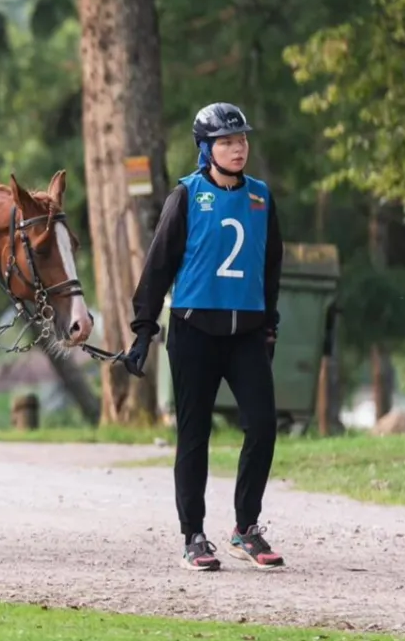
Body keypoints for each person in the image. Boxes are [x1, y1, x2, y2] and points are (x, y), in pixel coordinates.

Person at [120, 102, 285, 572]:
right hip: (194, 331)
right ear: (206, 148)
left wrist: (270, 322)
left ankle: (245, 528)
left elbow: (270, 265)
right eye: (227, 142)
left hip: (247, 332)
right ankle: (193, 535)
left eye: (242, 140)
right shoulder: (187, 196)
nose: (237, 148)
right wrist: (143, 331)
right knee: (194, 435)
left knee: (263, 426)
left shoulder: (261, 198)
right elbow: (158, 267)